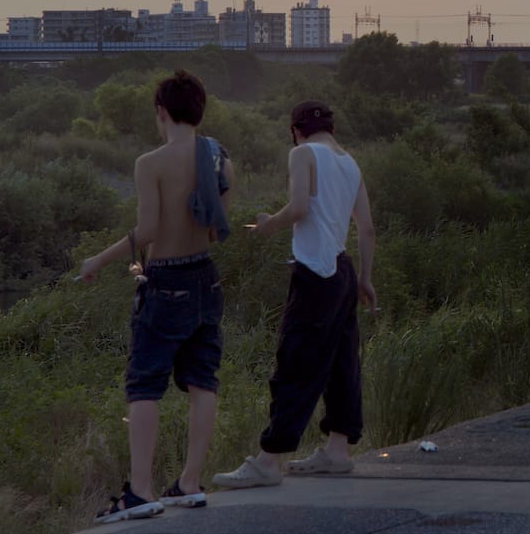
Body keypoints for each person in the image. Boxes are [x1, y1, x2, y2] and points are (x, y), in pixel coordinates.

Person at [79, 70, 234, 523]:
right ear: (199, 110)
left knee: (144, 383)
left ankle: (140, 491)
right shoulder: (221, 159)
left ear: (162, 111)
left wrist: (97, 259)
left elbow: (147, 231)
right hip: (207, 277)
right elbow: (217, 228)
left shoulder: (151, 163)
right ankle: (189, 483)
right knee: (202, 380)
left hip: (167, 280)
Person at [214, 99, 376, 488]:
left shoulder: (302, 153)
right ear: (331, 128)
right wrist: (365, 279)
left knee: (296, 360)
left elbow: (300, 207)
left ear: (295, 130)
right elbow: (367, 228)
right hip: (343, 270)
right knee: (342, 363)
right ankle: (338, 451)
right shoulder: (350, 163)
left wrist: (269, 223)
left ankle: (269, 460)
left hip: (315, 271)